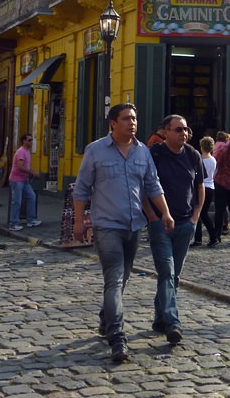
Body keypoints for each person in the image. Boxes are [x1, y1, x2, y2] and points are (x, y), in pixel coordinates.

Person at [73, 103, 173, 363]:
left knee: (123, 278)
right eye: (127, 118)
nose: (132, 123)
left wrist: (165, 212)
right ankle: (117, 337)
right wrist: (79, 221)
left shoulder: (143, 152)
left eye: (135, 118)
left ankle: (106, 318)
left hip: (134, 226)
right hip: (107, 225)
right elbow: (82, 188)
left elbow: (152, 185)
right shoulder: (95, 151)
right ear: (113, 123)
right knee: (115, 279)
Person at [143, 114, 205, 343]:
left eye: (186, 129)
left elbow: (200, 186)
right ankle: (172, 322)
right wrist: (151, 216)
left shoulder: (192, 154)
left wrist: (195, 217)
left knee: (173, 275)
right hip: (160, 225)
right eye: (178, 129)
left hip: (185, 223)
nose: (183, 133)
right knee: (167, 272)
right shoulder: (155, 154)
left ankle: (160, 317)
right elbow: (143, 186)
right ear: (165, 132)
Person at [9, 133, 41, 231]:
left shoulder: (27, 151)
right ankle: (13, 223)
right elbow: (20, 166)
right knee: (16, 201)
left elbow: (25, 166)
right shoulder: (21, 151)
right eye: (29, 140)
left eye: (32, 140)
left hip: (24, 179)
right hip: (16, 179)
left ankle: (31, 220)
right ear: (24, 141)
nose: (31, 142)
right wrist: (32, 172)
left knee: (32, 196)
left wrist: (30, 173)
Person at [192, 136, 216, 247]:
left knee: (199, 213)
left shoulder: (200, 160)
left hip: (201, 188)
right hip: (211, 187)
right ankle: (212, 236)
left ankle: (199, 238)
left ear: (202, 147)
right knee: (204, 213)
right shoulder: (213, 160)